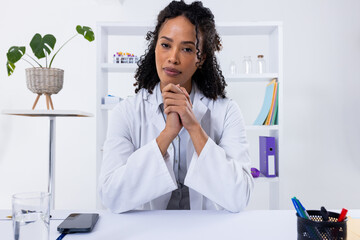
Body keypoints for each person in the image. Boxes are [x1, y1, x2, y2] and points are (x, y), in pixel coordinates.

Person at [99, 0, 253, 213]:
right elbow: (111, 196)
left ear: (201, 58)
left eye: (187, 49)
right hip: (147, 230)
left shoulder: (227, 111)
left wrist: (194, 127)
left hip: (208, 229)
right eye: (165, 45)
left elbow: (239, 196)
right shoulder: (126, 113)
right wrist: (167, 134)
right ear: (155, 47)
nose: (172, 58)